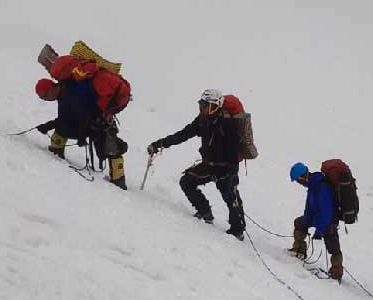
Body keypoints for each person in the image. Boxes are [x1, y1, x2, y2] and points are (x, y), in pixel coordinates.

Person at [147, 89, 245, 239]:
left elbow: (234, 148)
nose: (202, 109)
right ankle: (205, 211)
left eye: (205, 105)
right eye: (201, 105)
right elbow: (183, 134)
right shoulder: (202, 121)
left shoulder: (228, 123)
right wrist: (160, 144)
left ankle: (237, 231)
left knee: (231, 198)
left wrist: (231, 170)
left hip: (225, 168)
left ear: (215, 106)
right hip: (209, 165)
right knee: (186, 181)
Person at [35, 76, 128, 189]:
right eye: (43, 98)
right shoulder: (66, 89)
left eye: (45, 96)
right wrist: (48, 126)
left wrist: (82, 137)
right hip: (96, 122)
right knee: (62, 128)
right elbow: (66, 118)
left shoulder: (68, 94)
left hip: (100, 122)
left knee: (112, 150)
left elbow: (83, 116)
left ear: (51, 88)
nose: (47, 99)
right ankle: (55, 153)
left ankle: (119, 182)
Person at [287, 162, 343, 281]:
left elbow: (326, 212)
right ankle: (299, 250)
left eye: (297, 180)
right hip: (317, 218)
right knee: (299, 223)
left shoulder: (322, 187)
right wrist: (306, 221)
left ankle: (337, 271)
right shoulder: (312, 185)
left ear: (302, 177)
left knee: (333, 246)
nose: (299, 183)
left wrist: (319, 231)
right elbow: (309, 207)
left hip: (329, 221)